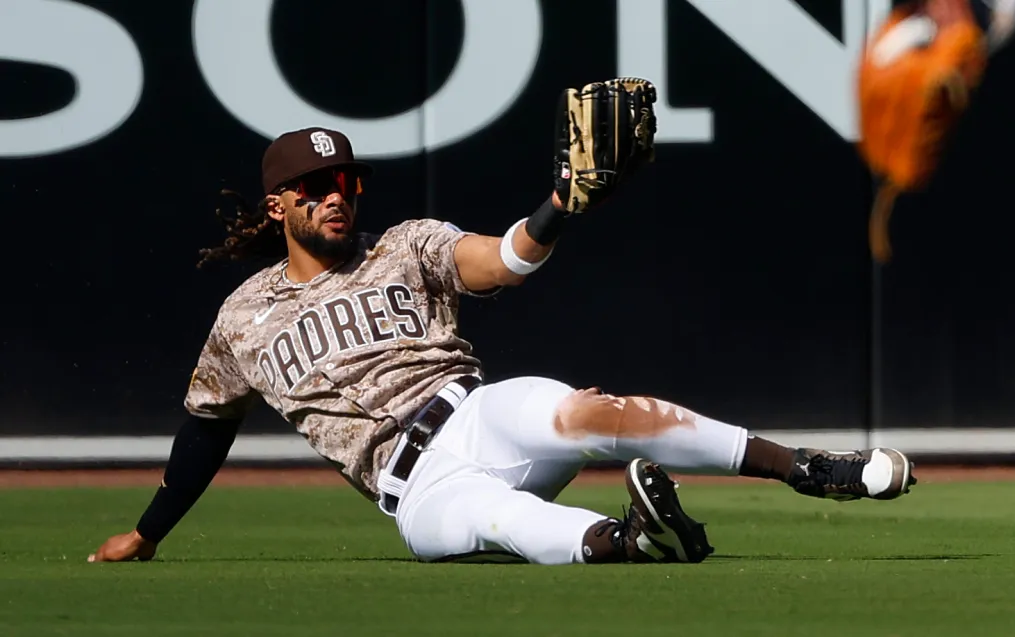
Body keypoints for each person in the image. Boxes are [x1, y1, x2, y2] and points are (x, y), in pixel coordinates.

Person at [88, 127, 916, 566]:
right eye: (316, 188)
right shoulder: (242, 316)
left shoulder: (404, 244)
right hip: (414, 493)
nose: (337, 197)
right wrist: (150, 529)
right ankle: (628, 541)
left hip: (476, 415)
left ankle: (809, 468)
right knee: (499, 518)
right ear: (279, 207)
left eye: (347, 182)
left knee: (584, 409)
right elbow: (207, 425)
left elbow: (506, 258)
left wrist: (560, 203)